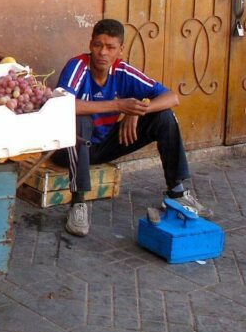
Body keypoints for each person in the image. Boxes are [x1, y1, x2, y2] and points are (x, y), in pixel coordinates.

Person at [52, 19, 211, 237]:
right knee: (81, 119)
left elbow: (171, 97)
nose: (103, 53)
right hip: (67, 148)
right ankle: (78, 203)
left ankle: (177, 192)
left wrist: (138, 110)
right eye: (98, 45)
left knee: (164, 116)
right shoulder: (78, 66)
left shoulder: (123, 71)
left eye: (110, 47)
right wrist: (119, 105)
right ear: (90, 45)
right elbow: (64, 105)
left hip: (104, 143)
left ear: (120, 50)